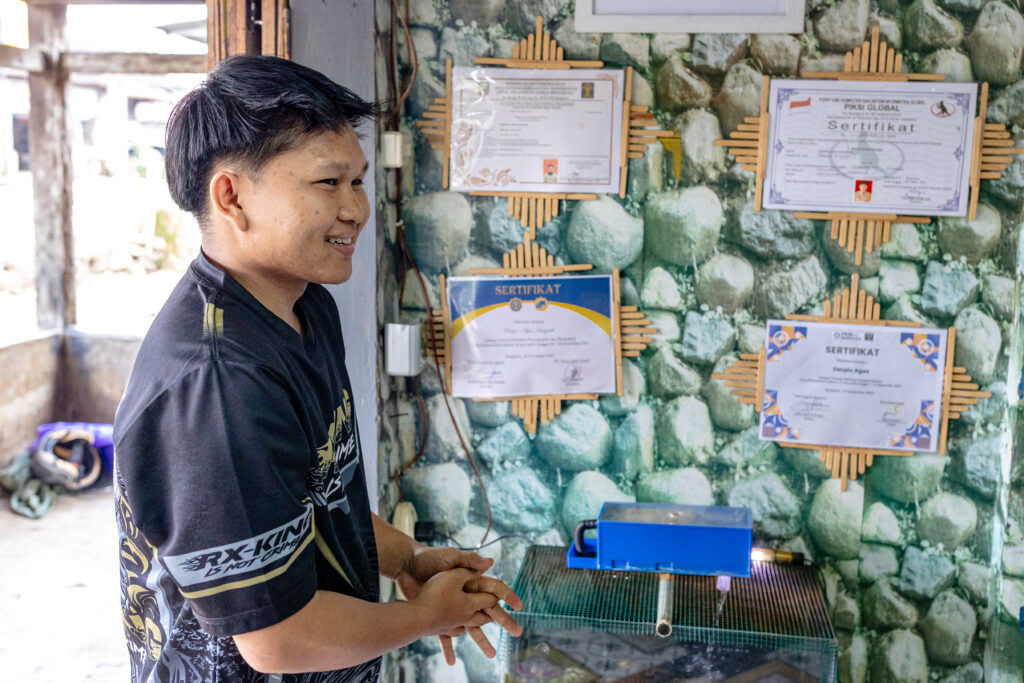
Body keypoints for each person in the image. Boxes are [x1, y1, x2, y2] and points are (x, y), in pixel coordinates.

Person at [113, 55, 522, 682]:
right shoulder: (220, 381)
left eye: (357, 182)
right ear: (231, 195)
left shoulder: (306, 305)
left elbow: (316, 498)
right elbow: (279, 641)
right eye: (328, 184)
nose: (357, 209)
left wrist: (408, 563)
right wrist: (426, 618)